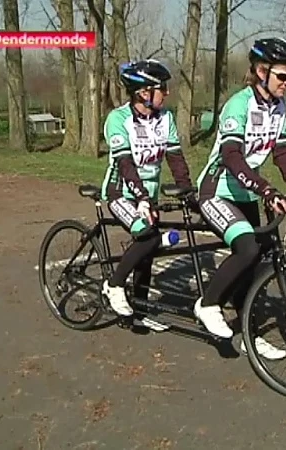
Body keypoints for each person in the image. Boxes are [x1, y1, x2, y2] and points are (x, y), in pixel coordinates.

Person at [192, 37, 286, 360]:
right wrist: (266, 188)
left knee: (256, 260)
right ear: (261, 71)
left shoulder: (278, 108)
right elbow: (233, 158)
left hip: (245, 192)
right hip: (216, 190)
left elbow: (283, 153)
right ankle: (208, 304)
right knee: (247, 246)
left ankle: (249, 332)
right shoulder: (239, 104)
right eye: (282, 76)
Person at [99, 57, 195, 331]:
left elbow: (175, 159)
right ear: (143, 92)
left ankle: (138, 309)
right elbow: (125, 164)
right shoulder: (118, 119)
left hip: (147, 195)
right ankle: (114, 285)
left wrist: (187, 190)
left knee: (148, 253)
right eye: (161, 88)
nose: (166, 93)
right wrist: (140, 197)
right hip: (121, 194)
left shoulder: (166, 118)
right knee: (146, 235)